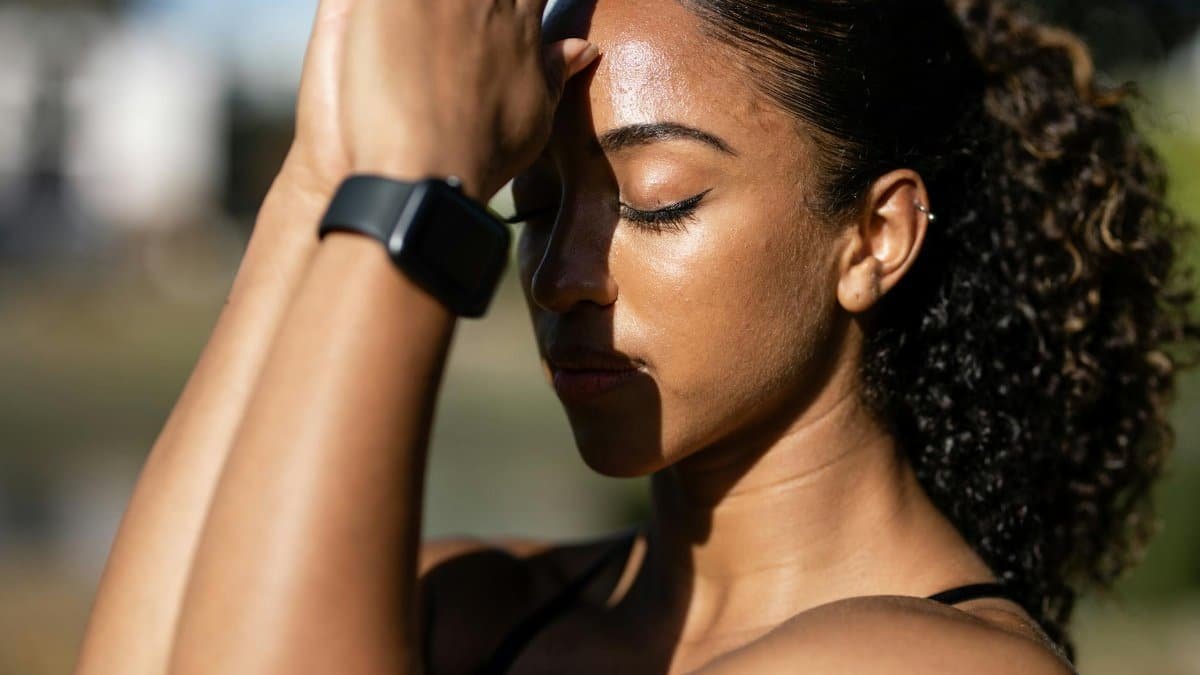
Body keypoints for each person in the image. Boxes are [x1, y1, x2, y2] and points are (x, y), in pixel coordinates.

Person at [74, 0, 1199, 673]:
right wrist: (327, 166)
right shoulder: (467, 604)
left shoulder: (933, 664)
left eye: (657, 201)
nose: (559, 277)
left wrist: (411, 196)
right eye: (532, 207)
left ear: (875, 237)